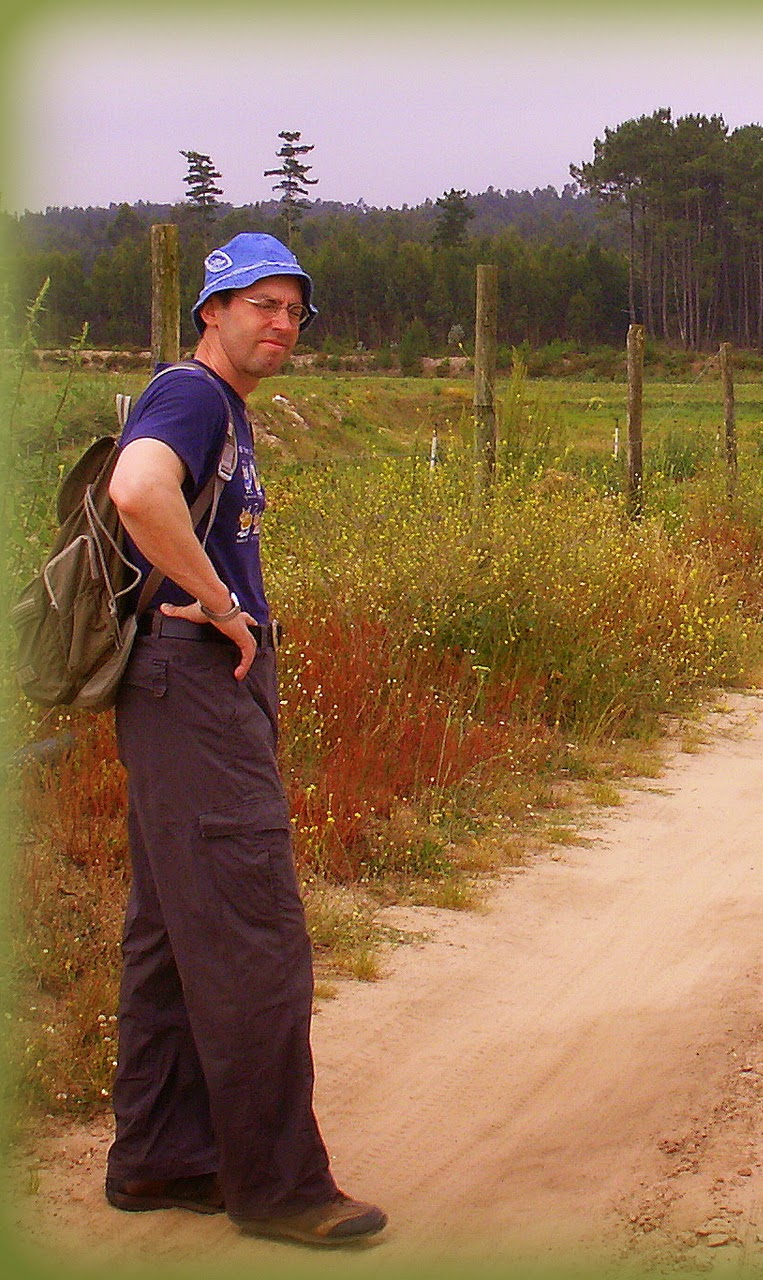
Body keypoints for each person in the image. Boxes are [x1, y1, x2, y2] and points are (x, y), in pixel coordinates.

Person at [104, 233, 387, 1246]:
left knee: (173, 930)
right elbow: (137, 490)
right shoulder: (192, 396)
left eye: (291, 308)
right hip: (193, 688)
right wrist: (219, 599)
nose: (278, 322)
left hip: (176, 693)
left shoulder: (216, 405)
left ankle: (162, 1156)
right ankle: (280, 1185)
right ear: (209, 311)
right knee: (252, 929)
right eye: (256, 302)